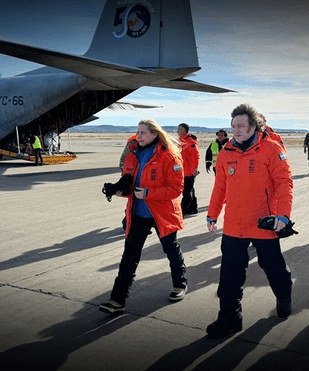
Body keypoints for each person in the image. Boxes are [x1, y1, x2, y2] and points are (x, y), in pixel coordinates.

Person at [206, 103, 293, 337]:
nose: (236, 129)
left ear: (254, 126)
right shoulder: (226, 152)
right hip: (234, 225)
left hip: (263, 222)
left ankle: (284, 293)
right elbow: (220, 187)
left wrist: (283, 216)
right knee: (230, 276)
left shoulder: (271, 149)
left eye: (242, 125)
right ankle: (229, 319)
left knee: (274, 268)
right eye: (233, 125)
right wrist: (212, 214)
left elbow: (284, 183)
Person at [99, 119, 188, 314]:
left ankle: (180, 284)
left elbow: (176, 188)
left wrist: (148, 193)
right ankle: (117, 301)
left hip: (162, 213)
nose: (139, 136)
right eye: (138, 132)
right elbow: (130, 183)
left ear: (155, 134)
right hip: (138, 213)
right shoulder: (132, 155)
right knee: (129, 256)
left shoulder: (169, 156)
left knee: (171, 250)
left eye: (143, 133)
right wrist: (118, 189)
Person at [178, 123, 200, 216]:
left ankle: (182, 211)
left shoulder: (190, 141)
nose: (179, 131)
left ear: (186, 131)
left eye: (181, 129)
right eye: (178, 129)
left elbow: (196, 156)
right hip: (183, 170)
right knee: (190, 189)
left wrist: (195, 168)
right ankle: (193, 208)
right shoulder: (180, 141)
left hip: (190, 171)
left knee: (186, 192)